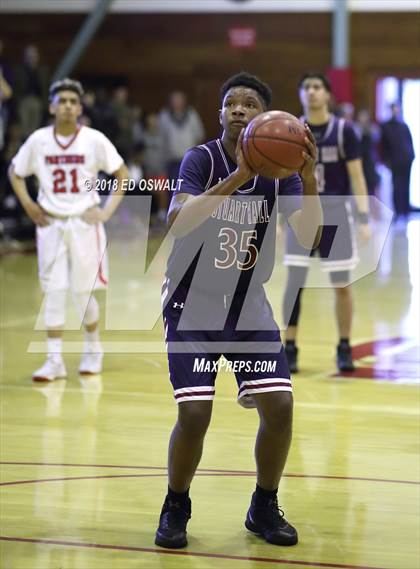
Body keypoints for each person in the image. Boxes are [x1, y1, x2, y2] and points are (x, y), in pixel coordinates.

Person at [155, 72, 322, 549]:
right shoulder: (201, 159)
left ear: (267, 116)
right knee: (194, 414)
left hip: (248, 304)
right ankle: (176, 503)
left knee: (281, 406)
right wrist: (239, 176)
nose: (239, 109)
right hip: (192, 302)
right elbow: (177, 221)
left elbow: (308, 238)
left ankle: (263, 504)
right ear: (221, 114)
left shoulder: (283, 171)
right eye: (231, 103)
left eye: (250, 104)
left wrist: (308, 178)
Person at [8, 78, 128, 381]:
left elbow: (122, 173)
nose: (68, 106)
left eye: (73, 102)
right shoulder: (38, 140)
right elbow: (15, 172)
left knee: (83, 293)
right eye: (62, 101)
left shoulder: (93, 139)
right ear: (51, 106)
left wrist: (106, 211)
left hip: (83, 225)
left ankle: (93, 349)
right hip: (50, 224)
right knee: (54, 291)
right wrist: (28, 205)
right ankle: (54, 360)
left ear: (80, 107)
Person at [282, 72, 371, 374]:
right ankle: (290, 347)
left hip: (334, 214)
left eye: (317, 87)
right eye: (306, 87)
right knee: (294, 284)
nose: (311, 92)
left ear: (328, 94)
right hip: (300, 214)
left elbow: (357, 176)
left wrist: (363, 217)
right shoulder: (289, 129)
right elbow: (281, 175)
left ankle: (344, 346)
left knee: (341, 286)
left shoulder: (345, 131)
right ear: (300, 94)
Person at [159, 90, 205, 186]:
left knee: (188, 187)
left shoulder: (191, 114)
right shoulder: (165, 115)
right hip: (172, 160)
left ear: (184, 101)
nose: (177, 102)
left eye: (179, 100)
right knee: (173, 189)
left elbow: (199, 135)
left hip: (189, 160)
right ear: (170, 102)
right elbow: (161, 138)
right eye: (175, 100)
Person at [380, 102, 415, 219]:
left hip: (407, 159)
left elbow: (409, 142)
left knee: (406, 184)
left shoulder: (403, 125)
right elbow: (384, 145)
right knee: (396, 185)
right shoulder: (386, 126)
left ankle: (405, 210)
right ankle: (398, 211)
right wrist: (386, 160)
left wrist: (412, 156)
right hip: (395, 160)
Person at [356, 109, 380, 196]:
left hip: (370, 159)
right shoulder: (355, 127)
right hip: (359, 159)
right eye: (361, 116)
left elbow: (377, 137)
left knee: (371, 183)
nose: (363, 118)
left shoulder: (372, 127)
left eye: (364, 116)